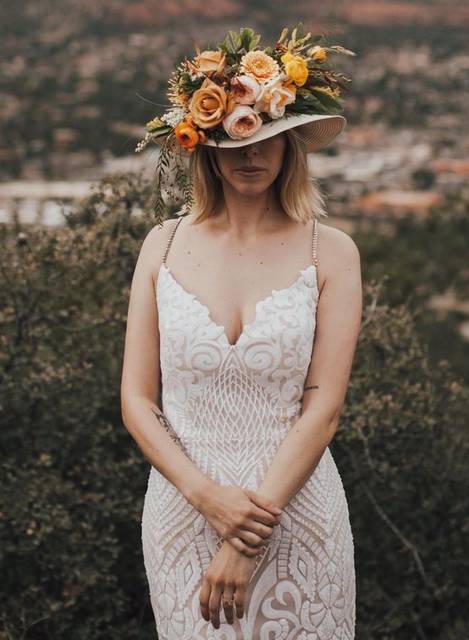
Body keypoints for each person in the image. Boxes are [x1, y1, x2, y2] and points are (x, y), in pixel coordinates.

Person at [122, 26, 362, 638]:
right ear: (205, 144)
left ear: (288, 146)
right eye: (233, 135)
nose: (250, 151)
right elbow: (137, 402)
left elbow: (322, 409)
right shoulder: (163, 244)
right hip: (182, 516)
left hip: (297, 518)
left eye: (266, 135)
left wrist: (248, 534)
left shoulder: (330, 252)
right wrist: (207, 498)